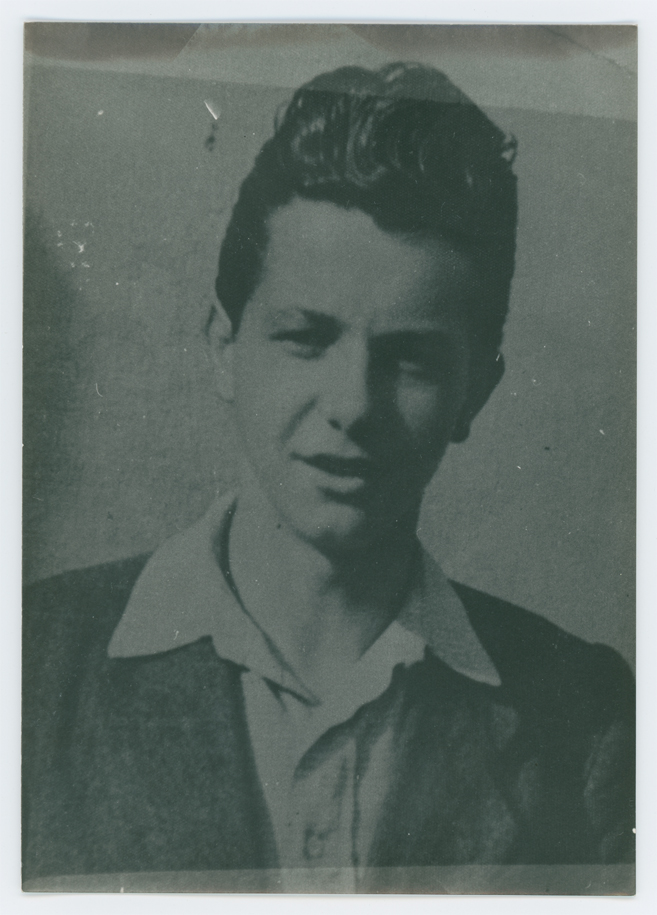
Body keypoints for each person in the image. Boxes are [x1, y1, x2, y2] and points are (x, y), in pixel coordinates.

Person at [22, 62, 634, 889]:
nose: (352, 405)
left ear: (474, 394)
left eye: (411, 358)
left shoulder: (587, 719)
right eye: (306, 338)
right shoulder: (28, 663)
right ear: (224, 347)